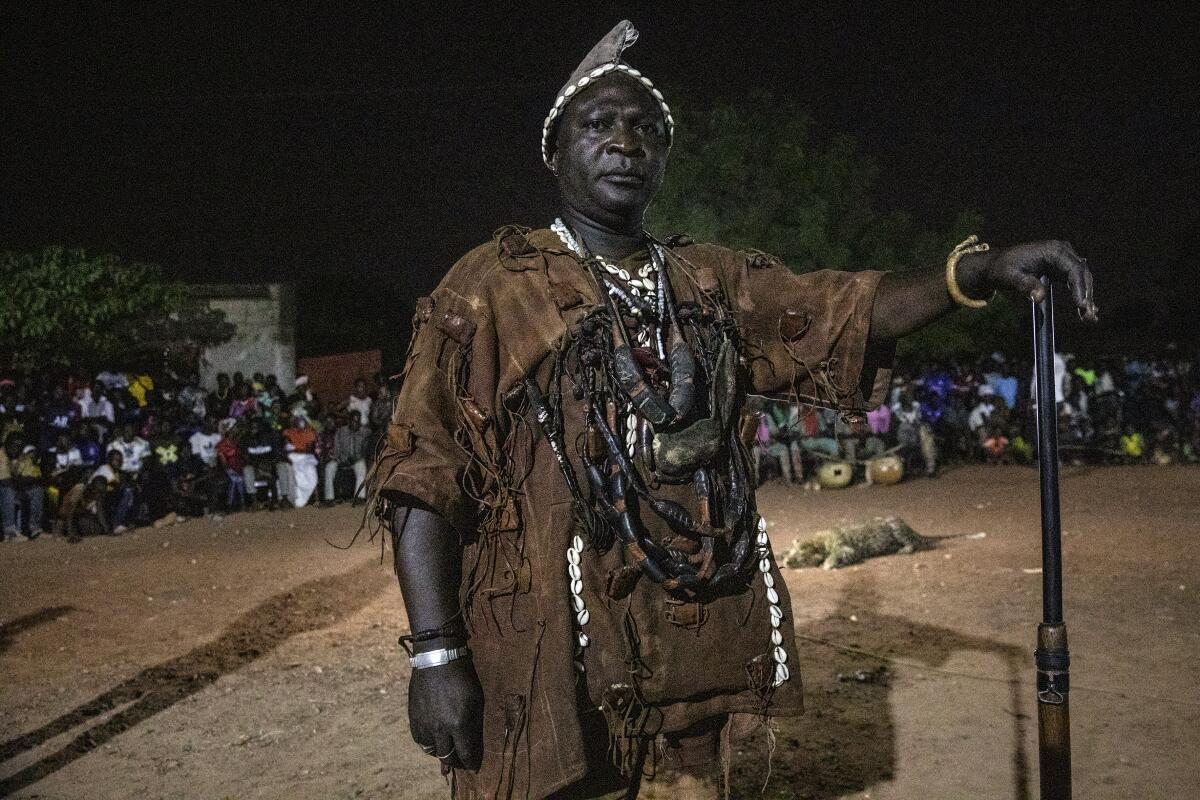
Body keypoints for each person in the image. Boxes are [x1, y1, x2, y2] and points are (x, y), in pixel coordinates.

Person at [369, 21, 1096, 798]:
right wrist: (437, 657)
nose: (625, 142)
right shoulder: (491, 286)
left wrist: (974, 272)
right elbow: (423, 471)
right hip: (547, 653)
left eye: (646, 129)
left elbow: (836, 307)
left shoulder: (706, 282)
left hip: (689, 642)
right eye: (599, 125)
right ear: (555, 152)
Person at [1, 432, 45, 540]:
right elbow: (5, 481)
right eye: (13, 445)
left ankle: (35, 530)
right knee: (8, 490)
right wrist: (19, 483)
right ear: (6, 444)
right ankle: (9, 532)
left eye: (19, 446)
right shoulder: (1, 455)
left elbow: (32, 478)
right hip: (3, 491)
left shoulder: (23, 457)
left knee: (36, 490)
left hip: (15, 489)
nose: (16, 448)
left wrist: (21, 484)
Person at [323, 410, 372, 506]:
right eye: (354, 421)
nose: (356, 423)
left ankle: (359, 497)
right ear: (349, 421)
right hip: (342, 460)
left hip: (356, 460)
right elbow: (337, 449)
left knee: (361, 466)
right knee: (329, 467)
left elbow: (365, 450)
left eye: (358, 421)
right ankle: (329, 498)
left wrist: (356, 458)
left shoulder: (365, 432)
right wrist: (341, 460)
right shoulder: (341, 432)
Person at [282, 414, 318, 507]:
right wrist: (296, 450)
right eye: (297, 420)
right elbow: (287, 447)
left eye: (302, 420)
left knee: (311, 472)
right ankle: (297, 499)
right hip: (293, 457)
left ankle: (310, 498)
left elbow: (309, 449)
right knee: (296, 473)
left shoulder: (309, 433)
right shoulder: (288, 432)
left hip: (306, 457)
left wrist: (297, 449)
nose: (300, 422)